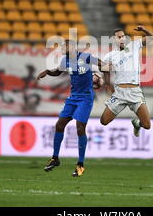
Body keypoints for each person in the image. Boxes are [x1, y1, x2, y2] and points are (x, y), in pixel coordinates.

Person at [36, 39, 109, 177]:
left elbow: (101, 64)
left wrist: (103, 75)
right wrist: (46, 71)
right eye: (63, 45)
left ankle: (80, 164)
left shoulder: (85, 57)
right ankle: (55, 159)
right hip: (73, 97)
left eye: (66, 45)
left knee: (80, 128)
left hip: (85, 98)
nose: (64, 47)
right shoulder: (65, 60)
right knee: (59, 125)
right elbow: (58, 72)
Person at [99, 25, 153, 137]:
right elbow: (103, 69)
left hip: (135, 91)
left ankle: (136, 123)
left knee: (147, 125)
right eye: (119, 37)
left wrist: (144, 30)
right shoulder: (110, 56)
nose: (122, 39)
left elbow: (151, 37)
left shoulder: (134, 46)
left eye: (123, 36)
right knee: (103, 121)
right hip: (119, 92)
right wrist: (107, 83)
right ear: (114, 40)